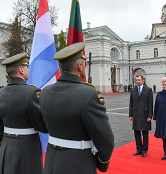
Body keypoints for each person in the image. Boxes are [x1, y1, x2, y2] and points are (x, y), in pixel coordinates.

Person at [40, 42, 114, 174]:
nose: (85, 65)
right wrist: (102, 163)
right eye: (84, 62)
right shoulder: (90, 94)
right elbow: (106, 140)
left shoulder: (45, 92)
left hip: (51, 161)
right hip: (77, 163)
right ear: (80, 66)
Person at [0, 53, 48, 174]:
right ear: (21, 70)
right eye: (26, 67)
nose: (28, 70)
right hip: (27, 146)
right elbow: (42, 125)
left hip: (6, 145)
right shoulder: (32, 92)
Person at [129, 75, 153, 157]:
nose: (137, 81)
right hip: (135, 114)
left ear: (142, 80)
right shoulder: (133, 90)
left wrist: (150, 115)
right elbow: (131, 103)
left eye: (139, 80)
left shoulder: (148, 90)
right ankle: (138, 149)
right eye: (136, 80)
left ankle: (144, 150)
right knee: (136, 133)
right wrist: (130, 115)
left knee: (145, 133)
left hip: (145, 115)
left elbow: (150, 104)